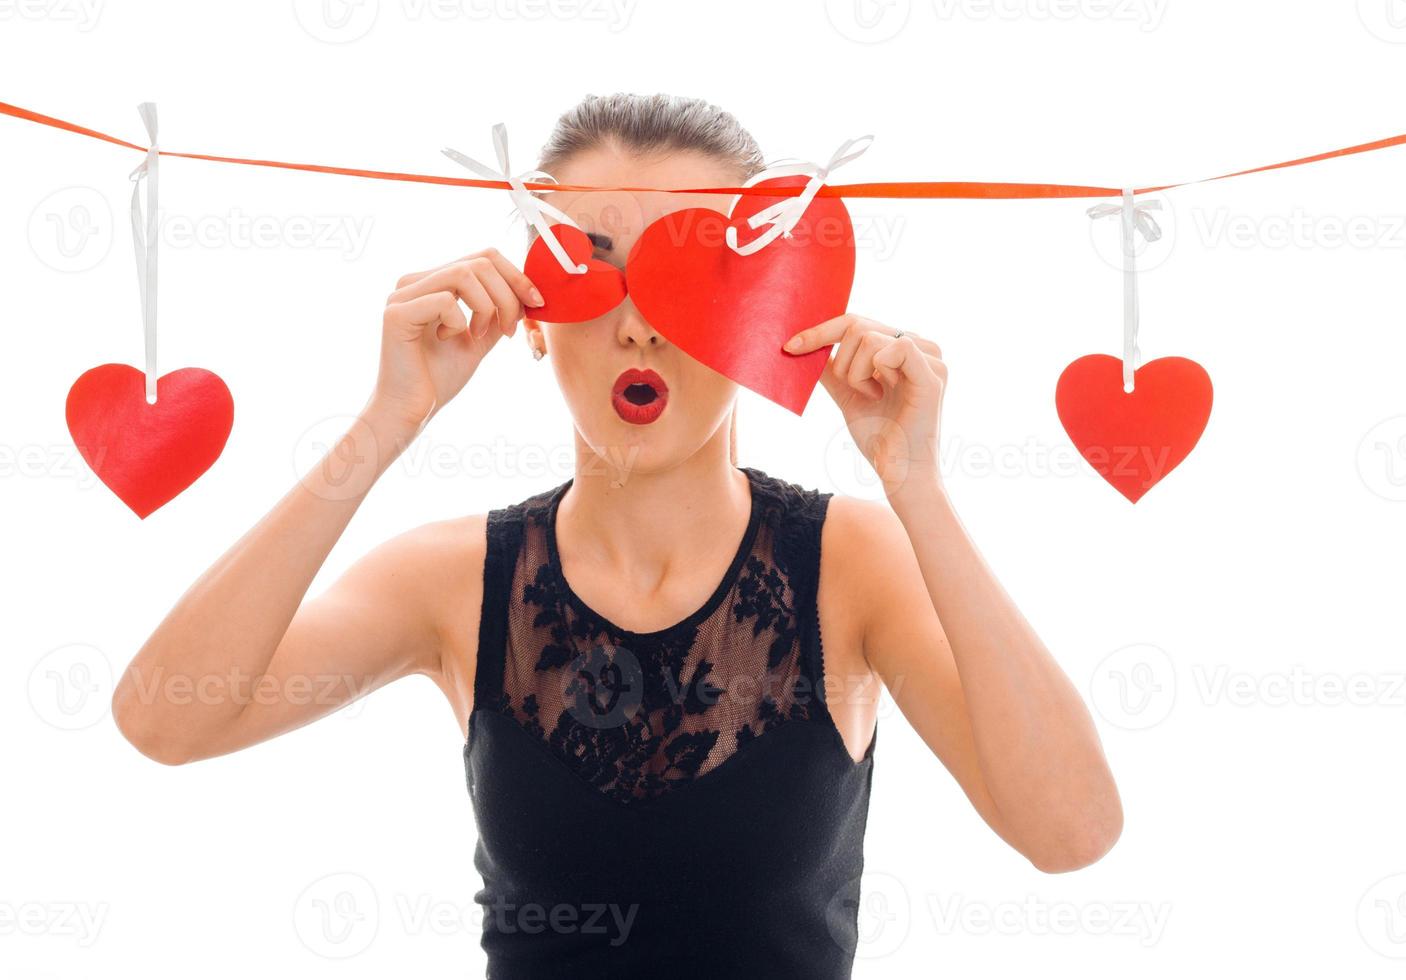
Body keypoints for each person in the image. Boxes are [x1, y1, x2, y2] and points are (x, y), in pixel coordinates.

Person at [111, 92, 1122, 978]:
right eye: (593, 272)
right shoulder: (453, 578)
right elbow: (165, 718)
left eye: (687, 280)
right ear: (536, 315)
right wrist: (386, 423)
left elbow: (1070, 832)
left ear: (765, 307)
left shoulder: (852, 565)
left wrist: (920, 491)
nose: (636, 326)